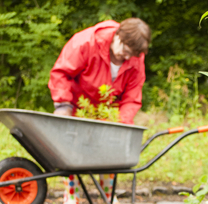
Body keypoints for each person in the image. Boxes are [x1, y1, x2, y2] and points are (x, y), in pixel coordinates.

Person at [48, 17, 151, 204]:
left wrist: (122, 123)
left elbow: (132, 97)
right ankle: (71, 196)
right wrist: (63, 105)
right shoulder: (86, 42)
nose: (127, 58)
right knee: (69, 152)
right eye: (126, 51)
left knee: (108, 153)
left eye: (132, 55)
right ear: (119, 36)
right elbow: (61, 73)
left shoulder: (136, 58)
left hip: (107, 111)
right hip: (78, 107)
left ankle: (108, 197)